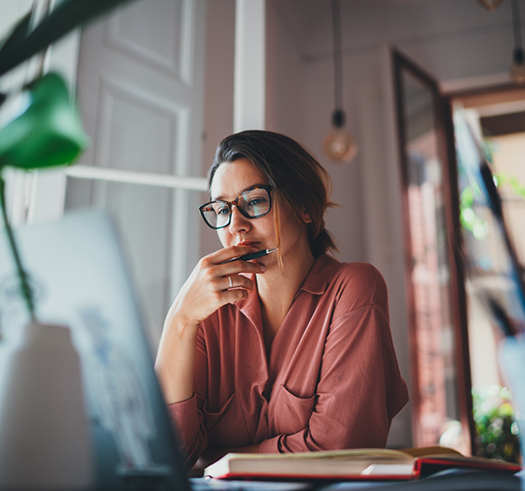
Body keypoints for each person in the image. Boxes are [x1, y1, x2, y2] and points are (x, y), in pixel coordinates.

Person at [155, 130, 409, 471]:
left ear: (305, 207)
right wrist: (180, 320)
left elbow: (338, 449)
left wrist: (215, 459)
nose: (237, 227)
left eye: (255, 201)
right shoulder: (207, 312)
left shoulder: (353, 288)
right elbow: (166, 457)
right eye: (222, 209)